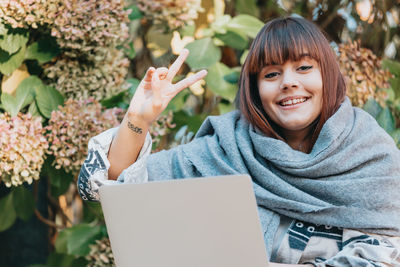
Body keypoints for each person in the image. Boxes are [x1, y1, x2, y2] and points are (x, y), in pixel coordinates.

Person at [78, 17, 400, 266]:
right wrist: (139, 119)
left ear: (327, 76)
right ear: (255, 89)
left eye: (303, 68)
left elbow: (389, 253)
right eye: (271, 74)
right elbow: (118, 190)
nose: (289, 83)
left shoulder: (371, 153)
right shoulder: (226, 148)